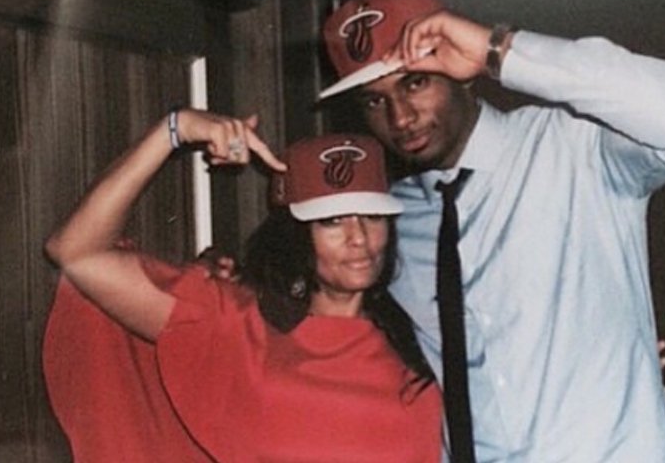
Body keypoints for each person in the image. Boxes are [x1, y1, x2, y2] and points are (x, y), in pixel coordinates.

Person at [318, 0, 665, 462]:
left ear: (458, 71)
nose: (400, 117)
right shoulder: (388, 224)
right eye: (375, 102)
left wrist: (498, 49)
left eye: (414, 82)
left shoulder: (575, 149)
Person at [41, 111, 443, 463]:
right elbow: (76, 252)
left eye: (372, 217)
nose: (359, 239)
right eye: (332, 221)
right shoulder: (237, 324)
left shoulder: (423, 333)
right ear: (296, 234)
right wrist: (176, 129)